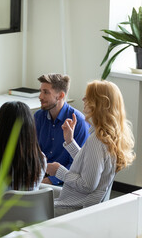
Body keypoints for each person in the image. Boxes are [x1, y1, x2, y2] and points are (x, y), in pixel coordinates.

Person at [46, 80, 135, 216]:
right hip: (80, 205)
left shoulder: (96, 140)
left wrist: (59, 171)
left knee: (22, 207)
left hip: (74, 209)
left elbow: (86, 185)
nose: (83, 99)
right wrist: (70, 141)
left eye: (87, 96)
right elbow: (90, 164)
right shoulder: (106, 136)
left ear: (98, 103)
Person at [0, 101, 46, 202]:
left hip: (0, 217)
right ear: (30, 127)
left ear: (2, 127)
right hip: (33, 217)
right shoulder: (41, 159)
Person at [34, 73, 90, 186]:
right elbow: (33, 152)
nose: (40, 96)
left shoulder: (79, 122)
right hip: (40, 176)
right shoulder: (38, 117)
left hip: (65, 183)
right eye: (40, 91)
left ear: (60, 96)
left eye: (45, 92)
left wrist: (51, 181)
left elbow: (77, 164)